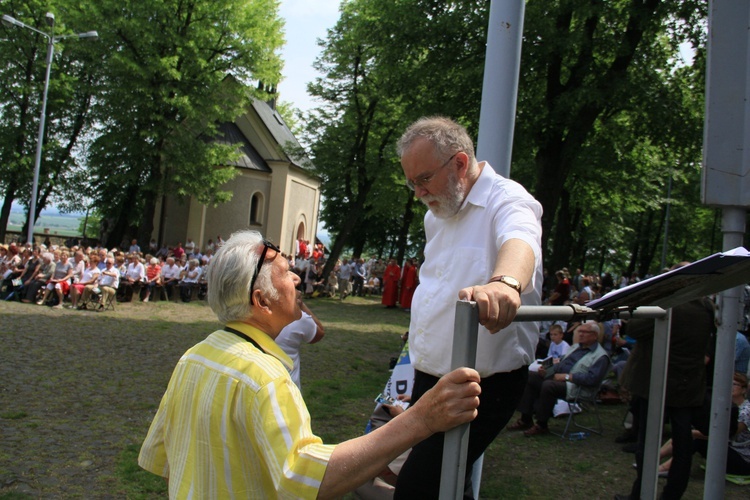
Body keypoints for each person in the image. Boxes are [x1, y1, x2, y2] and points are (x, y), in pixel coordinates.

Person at [138, 230, 481, 498]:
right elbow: (313, 483)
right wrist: (422, 418)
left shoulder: (194, 356)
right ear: (262, 301)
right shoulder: (266, 377)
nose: (298, 280)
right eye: (286, 274)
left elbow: (167, 461)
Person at [393, 116, 543, 498]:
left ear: (460, 163)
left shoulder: (508, 199)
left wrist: (505, 283)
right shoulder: (437, 213)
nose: (418, 192)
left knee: (418, 488)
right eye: (412, 182)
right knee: (446, 485)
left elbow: (521, 239)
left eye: (423, 179)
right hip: (429, 375)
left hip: (482, 383)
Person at [615, 274, 715, 500]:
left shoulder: (668, 306)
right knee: (682, 446)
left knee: (647, 443)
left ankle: (641, 494)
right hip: (688, 386)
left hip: (657, 383)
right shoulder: (706, 306)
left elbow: (633, 329)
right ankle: (672, 494)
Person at [508, 322, 609, 436]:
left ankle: (542, 425)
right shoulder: (576, 347)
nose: (581, 334)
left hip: (577, 387)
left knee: (549, 385)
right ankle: (525, 419)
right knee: (531, 376)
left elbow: (592, 379)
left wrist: (567, 377)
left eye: (585, 332)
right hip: (560, 378)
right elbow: (562, 364)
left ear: (595, 335)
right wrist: (547, 370)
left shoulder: (601, 356)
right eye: (580, 331)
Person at [274, 299, 325, 389]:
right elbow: (319, 333)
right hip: (290, 391)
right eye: (295, 288)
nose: (299, 291)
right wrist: (301, 305)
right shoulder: (298, 318)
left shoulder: (249, 315)